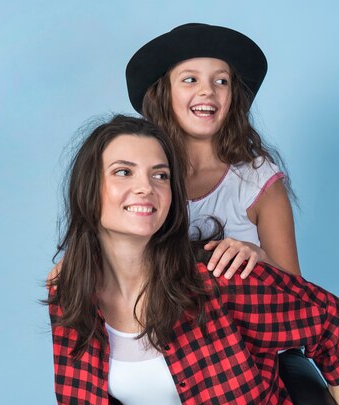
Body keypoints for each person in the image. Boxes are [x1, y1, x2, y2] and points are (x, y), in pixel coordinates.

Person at [46, 115, 339, 405]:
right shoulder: (69, 295)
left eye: (160, 175)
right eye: (123, 172)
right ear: (89, 188)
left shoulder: (219, 278)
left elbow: (334, 323)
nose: (146, 187)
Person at [126, 23, 300, 280]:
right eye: (190, 79)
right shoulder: (136, 178)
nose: (207, 90)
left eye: (221, 81)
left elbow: (299, 294)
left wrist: (261, 258)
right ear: (164, 94)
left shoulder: (257, 181)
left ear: (233, 97)